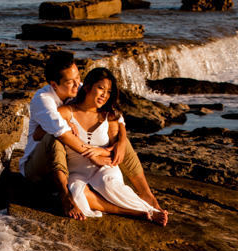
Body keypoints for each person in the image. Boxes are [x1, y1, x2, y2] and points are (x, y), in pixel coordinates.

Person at [20, 52, 162, 220]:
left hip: (72, 164)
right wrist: (93, 155)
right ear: (54, 84)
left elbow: (116, 116)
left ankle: (146, 194)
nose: (77, 84)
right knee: (55, 136)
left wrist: (122, 142)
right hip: (39, 167)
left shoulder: (81, 88)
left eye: (78, 78)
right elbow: (57, 134)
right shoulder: (43, 99)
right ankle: (66, 196)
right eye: (70, 82)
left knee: (118, 141)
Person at [57, 68, 167, 225]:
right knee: (75, 195)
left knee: (108, 184)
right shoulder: (68, 112)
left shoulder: (108, 116)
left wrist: (100, 152)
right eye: (100, 88)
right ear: (87, 87)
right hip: (77, 171)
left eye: (108, 92)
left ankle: (149, 208)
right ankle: (139, 212)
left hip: (105, 167)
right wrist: (66, 125)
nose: (104, 95)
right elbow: (46, 126)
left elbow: (116, 149)